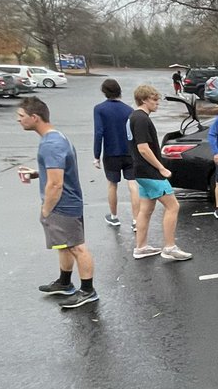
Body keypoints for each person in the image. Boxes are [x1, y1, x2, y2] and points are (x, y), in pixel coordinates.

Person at [17, 96, 98, 310]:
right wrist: (37, 173)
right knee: (63, 245)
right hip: (67, 202)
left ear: (35, 117)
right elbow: (57, 171)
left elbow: (55, 184)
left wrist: (46, 210)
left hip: (63, 205)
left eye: (21, 116)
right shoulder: (55, 137)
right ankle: (64, 282)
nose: (19, 120)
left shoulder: (51, 144)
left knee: (76, 247)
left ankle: (88, 291)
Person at [128, 85, 193, 262]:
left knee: (146, 210)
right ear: (143, 100)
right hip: (150, 172)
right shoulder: (141, 119)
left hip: (140, 171)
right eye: (154, 100)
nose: (157, 103)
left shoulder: (133, 117)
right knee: (173, 206)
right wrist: (161, 168)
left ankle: (141, 247)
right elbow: (143, 148)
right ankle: (170, 247)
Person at [92, 78, 140, 230]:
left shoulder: (99, 109)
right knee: (132, 184)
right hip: (128, 152)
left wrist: (96, 155)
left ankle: (114, 216)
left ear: (104, 92)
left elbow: (99, 132)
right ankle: (136, 220)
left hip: (111, 152)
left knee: (112, 184)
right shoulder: (129, 110)